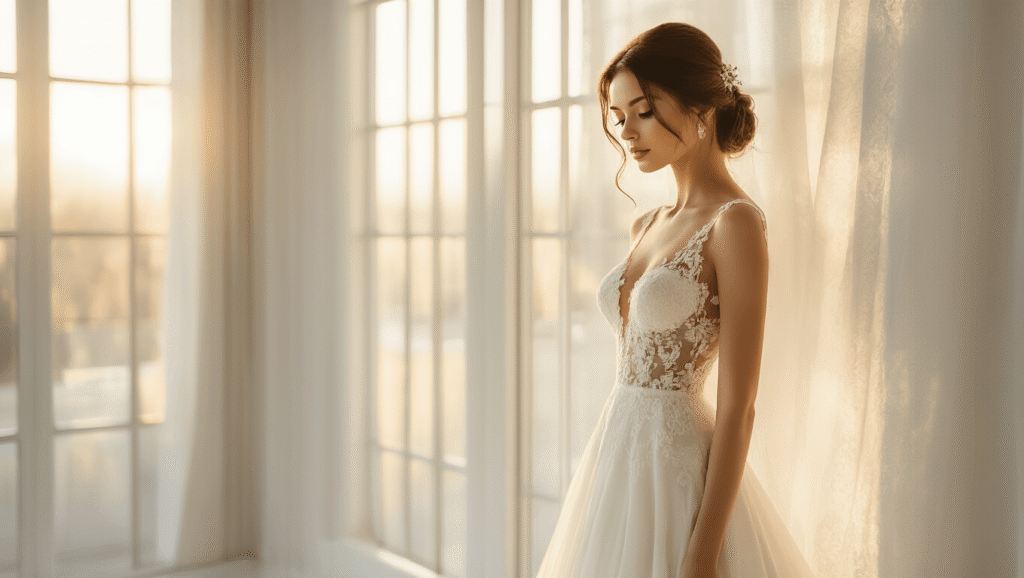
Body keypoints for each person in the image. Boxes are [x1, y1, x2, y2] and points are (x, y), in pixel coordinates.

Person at [533, 23, 816, 578]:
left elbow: (739, 408)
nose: (627, 132)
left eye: (644, 110)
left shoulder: (735, 223)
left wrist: (703, 552)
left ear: (700, 107)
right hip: (617, 454)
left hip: (679, 468)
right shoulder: (647, 222)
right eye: (618, 117)